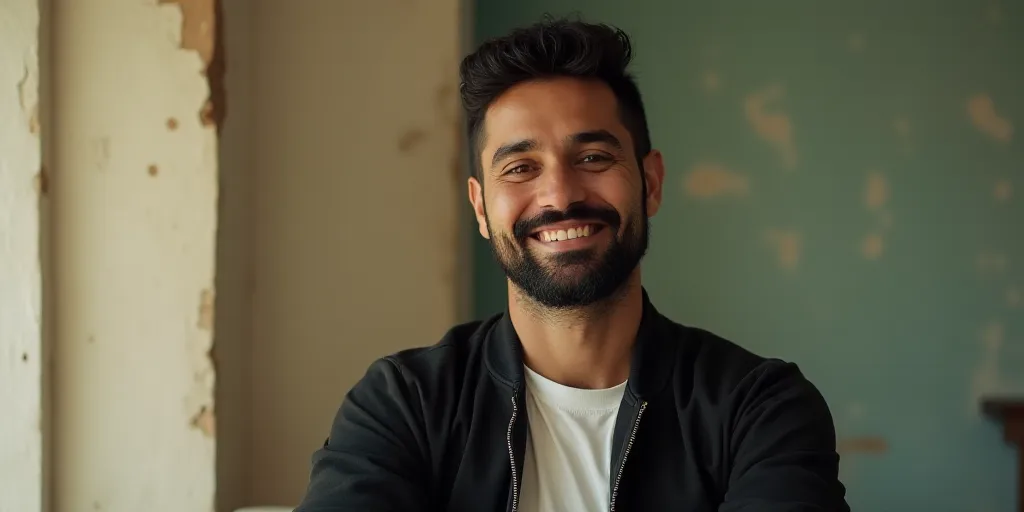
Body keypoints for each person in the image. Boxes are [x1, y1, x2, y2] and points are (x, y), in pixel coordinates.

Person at [295, 18, 849, 512]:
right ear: (481, 207)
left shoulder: (760, 407)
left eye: (593, 158)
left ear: (650, 183)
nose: (559, 195)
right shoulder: (404, 403)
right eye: (519, 167)